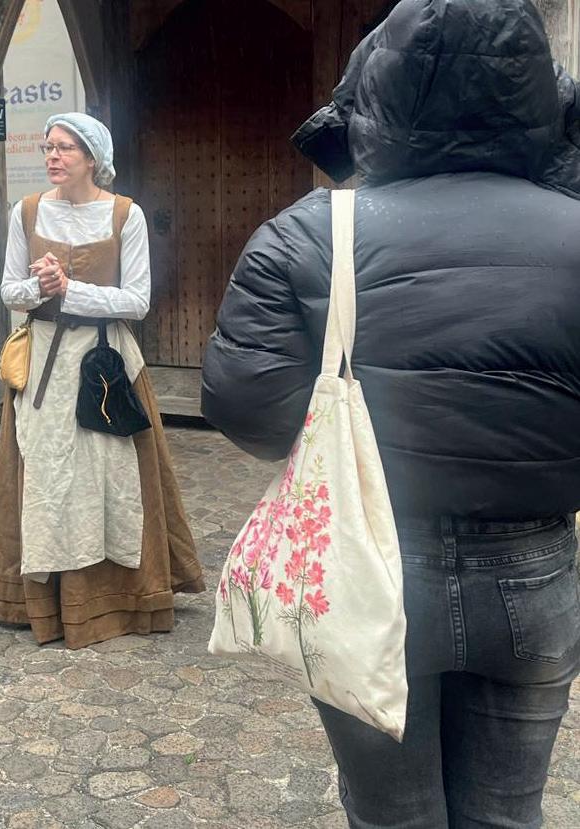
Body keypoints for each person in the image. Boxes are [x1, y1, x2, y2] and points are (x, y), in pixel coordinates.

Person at [201, 1, 580, 826]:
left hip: (364, 562)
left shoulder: (310, 232)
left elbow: (247, 411)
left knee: (392, 815)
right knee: (509, 813)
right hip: (535, 568)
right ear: (538, 91)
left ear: (377, 89)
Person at [0, 112, 205, 649]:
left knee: (109, 479)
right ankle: (44, 601)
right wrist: (39, 289)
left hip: (103, 363)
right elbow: (8, 290)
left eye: (64, 148)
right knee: (47, 478)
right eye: (48, 147)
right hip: (43, 364)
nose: (52, 156)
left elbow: (137, 301)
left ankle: (116, 597)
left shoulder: (126, 215)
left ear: (91, 158)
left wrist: (71, 289)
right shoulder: (27, 211)